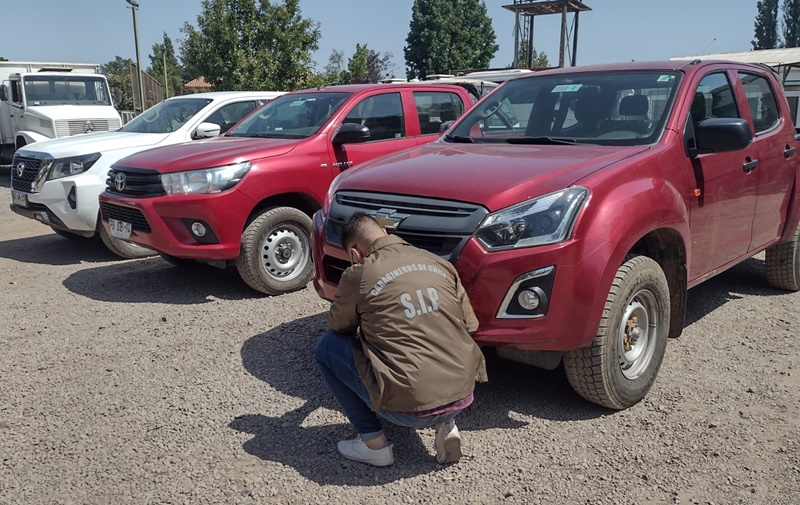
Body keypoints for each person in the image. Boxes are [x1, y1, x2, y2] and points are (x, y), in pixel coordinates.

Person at [315, 212, 487, 467]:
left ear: (354, 253)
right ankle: (447, 423)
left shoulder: (358, 274)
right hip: (463, 395)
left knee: (326, 348)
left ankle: (374, 445)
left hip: (407, 413)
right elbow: (471, 325)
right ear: (385, 234)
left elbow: (339, 327)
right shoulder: (437, 262)